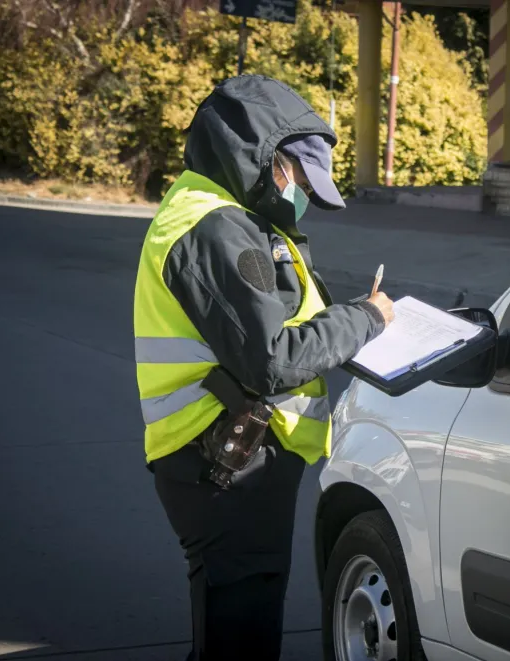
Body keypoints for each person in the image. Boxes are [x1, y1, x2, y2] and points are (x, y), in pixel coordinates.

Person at [133, 75, 394, 661]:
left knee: (231, 631)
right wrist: (369, 318)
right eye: (300, 178)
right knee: (240, 638)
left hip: (227, 458)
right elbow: (274, 360)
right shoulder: (216, 228)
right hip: (227, 463)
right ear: (265, 158)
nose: (302, 194)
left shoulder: (225, 216)